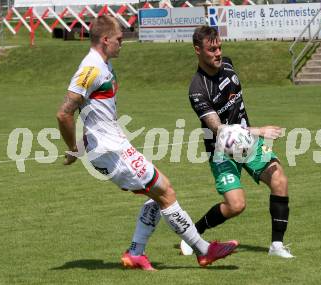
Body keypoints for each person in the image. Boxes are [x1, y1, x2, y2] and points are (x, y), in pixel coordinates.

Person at [56, 16, 239, 271]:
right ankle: (203, 251)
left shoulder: (102, 64)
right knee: (166, 192)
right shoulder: (91, 68)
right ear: (105, 40)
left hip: (115, 147)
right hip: (111, 152)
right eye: (119, 39)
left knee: (156, 196)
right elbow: (64, 112)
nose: (122, 44)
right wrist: (74, 148)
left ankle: (135, 253)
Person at [181, 26, 294, 258]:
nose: (218, 53)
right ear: (197, 51)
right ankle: (195, 231)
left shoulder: (229, 64)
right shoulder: (197, 90)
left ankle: (276, 246)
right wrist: (259, 130)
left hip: (249, 145)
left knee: (279, 179)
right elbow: (219, 130)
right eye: (212, 49)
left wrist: (252, 135)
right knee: (236, 206)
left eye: (220, 47)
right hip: (222, 151)